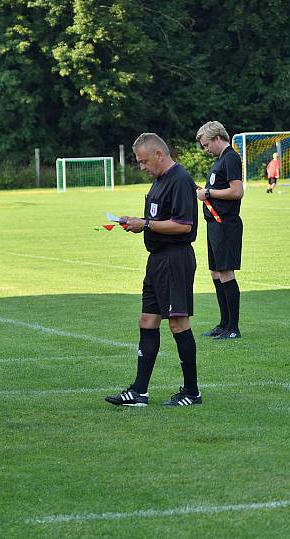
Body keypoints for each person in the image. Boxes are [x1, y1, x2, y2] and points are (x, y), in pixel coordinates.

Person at [105, 133, 201, 407]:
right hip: (157, 260)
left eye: (144, 161)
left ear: (159, 154)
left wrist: (145, 224)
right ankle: (139, 392)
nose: (142, 167)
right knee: (147, 321)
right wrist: (135, 222)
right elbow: (156, 219)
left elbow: (184, 225)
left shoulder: (180, 180)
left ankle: (192, 392)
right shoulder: (159, 181)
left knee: (178, 323)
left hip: (175, 259)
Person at [195, 121, 245, 340]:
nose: (206, 150)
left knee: (226, 272)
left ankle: (233, 328)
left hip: (226, 224)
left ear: (217, 138)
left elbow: (237, 191)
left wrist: (209, 193)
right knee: (216, 272)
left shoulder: (231, 158)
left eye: (206, 145)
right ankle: (224, 324)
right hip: (214, 224)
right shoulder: (220, 160)